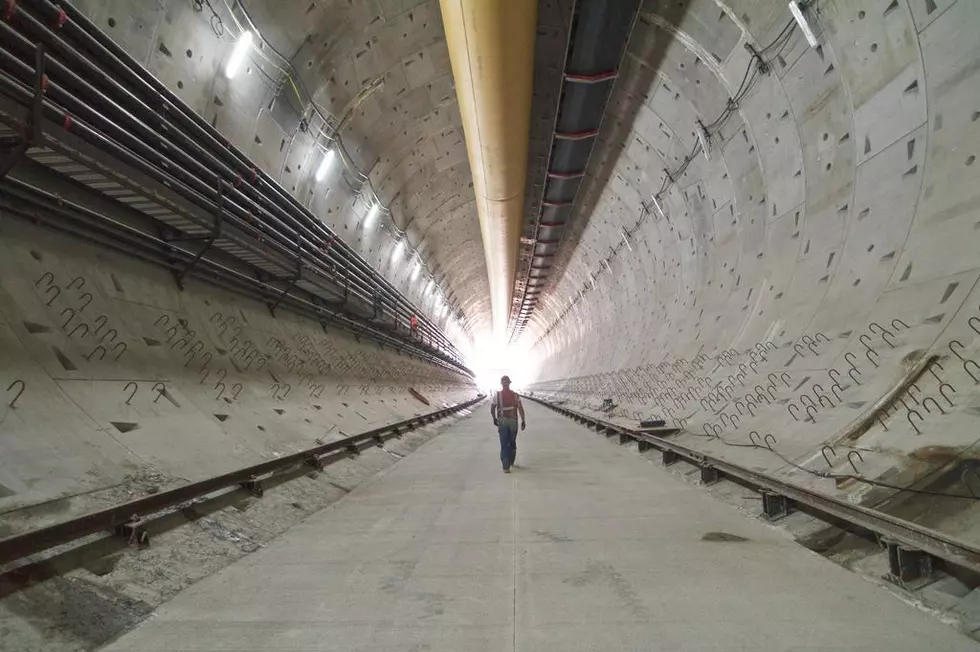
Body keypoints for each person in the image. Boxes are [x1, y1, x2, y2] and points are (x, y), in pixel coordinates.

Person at [490, 375, 526, 473]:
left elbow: (492, 408)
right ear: (510, 383)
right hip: (513, 421)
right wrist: (523, 420)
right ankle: (511, 460)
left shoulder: (497, 395)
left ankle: (506, 466)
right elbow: (520, 408)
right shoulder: (515, 395)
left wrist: (494, 418)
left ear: (501, 384)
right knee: (512, 441)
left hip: (502, 421)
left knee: (504, 443)